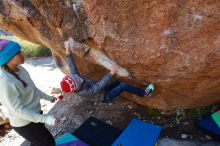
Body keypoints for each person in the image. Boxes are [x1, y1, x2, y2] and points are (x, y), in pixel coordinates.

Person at [52, 40, 155, 103]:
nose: (78, 77)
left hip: (103, 89)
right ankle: (144, 93)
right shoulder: (84, 92)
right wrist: (111, 72)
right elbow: (99, 85)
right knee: (123, 85)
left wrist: (67, 50)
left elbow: (72, 65)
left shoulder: (75, 80)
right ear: (77, 87)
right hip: (105, 96)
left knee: (118, 82)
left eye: (74, 77)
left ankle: (139, 92)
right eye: (78, 80)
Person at [0, 39, 60, 146]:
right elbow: (18, 110)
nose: (23, 53)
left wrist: (48, 97)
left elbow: (33, 89)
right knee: (48, 142)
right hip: (24, 123)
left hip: (35, 115)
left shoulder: (21, 69)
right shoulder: (4, 81)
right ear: (7, 58)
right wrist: (45, 118)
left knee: (39, 142)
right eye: (18, 52)